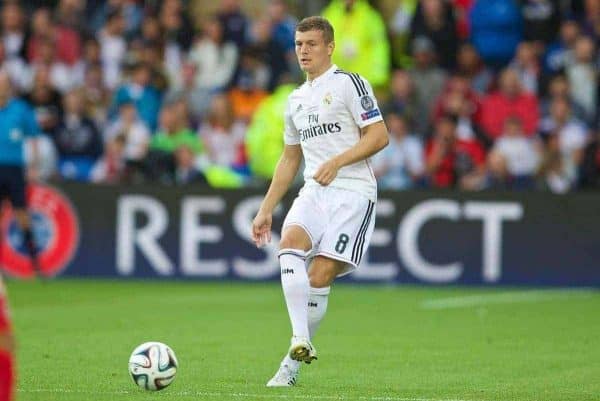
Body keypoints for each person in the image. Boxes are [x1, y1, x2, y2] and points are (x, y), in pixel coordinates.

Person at [251, 16, 389, 387]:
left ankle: (290, 366)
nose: (304, 51)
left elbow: (379, 135)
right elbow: (289, 158)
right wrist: (266, 208)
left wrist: (338, 161)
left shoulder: (349, 83)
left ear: (329, 46)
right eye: (298, 44)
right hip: (315, 189)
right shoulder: (295, 100)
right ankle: (300, 339)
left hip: (353, 192)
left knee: (320, 274)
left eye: (312, 44)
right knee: (289, 245)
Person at [0, 70, 41, 401]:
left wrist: (36, 163)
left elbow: (33, 137)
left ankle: (35, 261)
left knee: (23, 215)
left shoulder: (20, 110)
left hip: (13, 168)